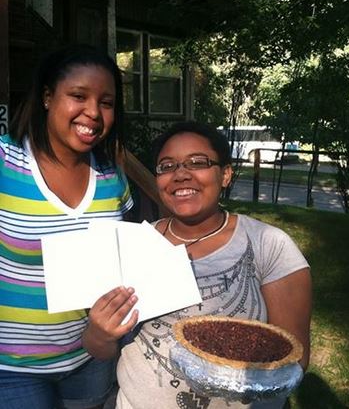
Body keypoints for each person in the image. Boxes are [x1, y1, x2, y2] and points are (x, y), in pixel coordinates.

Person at [83, 121, 312, 409]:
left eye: (197, 162)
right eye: (167, 166)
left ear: (226, 174)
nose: (180, 174)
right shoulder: (133, 245)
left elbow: (294, 358)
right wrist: (99, 333)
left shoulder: (269, 245)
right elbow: (100, 349)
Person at [0, 45, 139, 409]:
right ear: (48, 97)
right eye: (78, 95)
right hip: (13, 366)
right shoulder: (5, 162)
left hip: (90, 357)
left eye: (106, 102)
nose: (93, 112)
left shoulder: (111, 176)